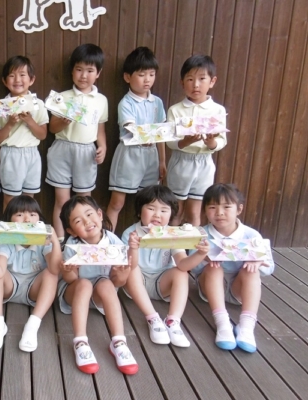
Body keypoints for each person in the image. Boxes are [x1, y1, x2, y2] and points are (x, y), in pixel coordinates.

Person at [58, 195, 139, 375]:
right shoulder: (72, 245)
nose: (87, 222)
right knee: (84, 284)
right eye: (78, 221)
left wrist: (123, 276)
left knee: (107, 284)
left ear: (100, 215)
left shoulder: (113, 241)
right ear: (71, 231)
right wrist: (68, 270)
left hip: (100, 293)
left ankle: (119, 342)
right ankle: (80, 341)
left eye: (89, 214)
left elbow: (118, 281)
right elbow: (71, 280)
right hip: (76, 292)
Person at [121, 185, 209, 347]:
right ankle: (153, 318)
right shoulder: (131, 233)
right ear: (140, 211)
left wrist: (200, 254)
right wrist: (133, 247)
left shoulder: (173, 234)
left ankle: (173, 321)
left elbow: (183, 264)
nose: (157, 214)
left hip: (162, 284)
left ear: (171, 214)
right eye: (151, 208)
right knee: (131, 268)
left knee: (181, 273)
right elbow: (129, 265)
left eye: (164, 210)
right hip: (136, 285)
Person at [193, 183, 274, 352]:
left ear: (239, 209)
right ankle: (222, 323)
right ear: (205, 210)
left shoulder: (251, 235)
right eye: (212, 207)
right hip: (210, 289)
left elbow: (269, 268)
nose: (219, 212)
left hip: (239, 291)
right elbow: (192, 268)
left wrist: (258, 262)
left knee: (251, 271)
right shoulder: (201, 235)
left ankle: (246, 326)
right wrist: (202, 257)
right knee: (213, 267)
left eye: (227, 207)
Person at [0, 196, 61, 352]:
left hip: (34, 289)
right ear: (9, 220)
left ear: (39, 219)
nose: (27, 219)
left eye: (32, 214)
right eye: (19, 214)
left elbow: (55, 269)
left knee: (50, 274)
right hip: (10, 286)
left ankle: (32, 326)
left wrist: (55, 241)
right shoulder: (5, 240)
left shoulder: (43, 241)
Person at [46, 44, 108, 241]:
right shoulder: (62, 97)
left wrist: (103, 147)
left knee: (85, 200)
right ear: (72, 71)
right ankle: (60, 242)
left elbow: (100, 129)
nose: (83, 75)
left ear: (98, 73)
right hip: (62, 149)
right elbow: (52, 128)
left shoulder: (101, 100)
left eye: (90, 70)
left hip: (87, 151)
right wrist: (63, 121)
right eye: (79, 69)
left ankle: (85, 240)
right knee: (61, 200)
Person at [107, 47, 166, 231]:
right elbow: (132, 129)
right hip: (129, 156)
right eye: (141, 74)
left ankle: (147, 239)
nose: (147, 79)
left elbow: (161, 133)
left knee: (150, 203)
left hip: (151, 156)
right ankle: (107, 240)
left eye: (151, 74)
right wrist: (149, 134)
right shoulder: (126, 103)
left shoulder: (157, 102)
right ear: (127, 77)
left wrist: (162, 161)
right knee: (117, 202)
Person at [166, 55, 227, 226]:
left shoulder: (218, 110)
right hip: (181, 162)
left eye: (202, 79)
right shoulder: (175, 110)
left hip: (204, 164)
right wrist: (186, 142)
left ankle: (193, 244)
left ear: (212, 81)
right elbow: (170, 141)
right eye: (190, 79)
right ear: (182, 82)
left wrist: (211, 143)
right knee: (176, 211)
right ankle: (171, 244)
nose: (196, 85)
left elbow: (222, 140)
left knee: (194, 212)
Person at [0, 56, 49, 210]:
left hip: (32, 154)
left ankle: (26, 225)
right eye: (12, 75)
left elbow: (42, 135)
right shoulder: (1, 106)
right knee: (10, 199)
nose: (17, 79)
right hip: (11, 154)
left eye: (22, 75)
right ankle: (8, 226)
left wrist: (30, 121)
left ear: (32, 80)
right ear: (4, 81)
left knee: (29, 199)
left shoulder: (39, 104)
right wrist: (10, 123)